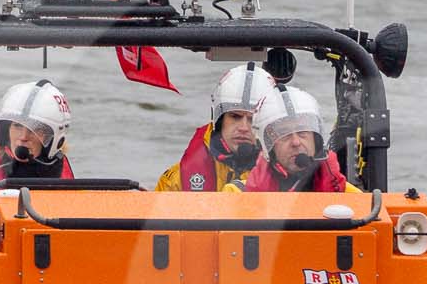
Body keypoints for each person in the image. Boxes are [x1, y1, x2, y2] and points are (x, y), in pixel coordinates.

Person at [155, 64, 275, 191]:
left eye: (253, 119)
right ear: (219, 120)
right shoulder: (175, 181)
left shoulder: (290, 178)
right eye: (235, 116)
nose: (244, 127)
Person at [227, 84, 363, 194]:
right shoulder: (236, 195)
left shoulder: (349, 196)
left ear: (316, 139)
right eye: (284, 134)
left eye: (303, 132)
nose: (296, 142)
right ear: (268, 146)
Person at [0, 78, 74, 186]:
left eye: (36, 129)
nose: (23, 137)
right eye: (17, 126)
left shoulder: (61, 173)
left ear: (54, 141)